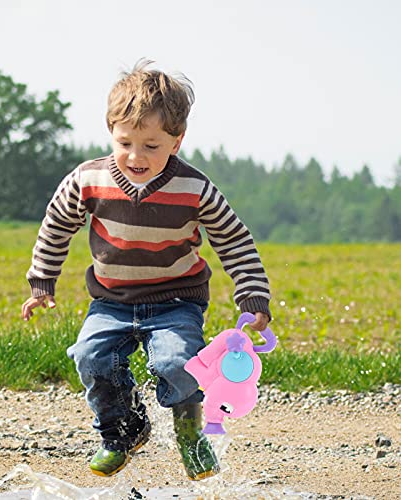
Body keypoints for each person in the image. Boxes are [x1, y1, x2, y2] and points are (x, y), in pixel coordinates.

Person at [21, 60, 271, 480]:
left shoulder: (196, 189)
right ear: (111, 132)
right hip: (111, 300)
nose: (136, 156)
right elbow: (56, 224)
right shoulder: (88, 179)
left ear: (177, 141)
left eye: (151, 146)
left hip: (176, 301)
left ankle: (190, 433)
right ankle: (123, 431)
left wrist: (253, 294)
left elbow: (234, 240)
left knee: (178, 363)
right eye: (125, 143)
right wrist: (42, 280)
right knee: (90, 357)